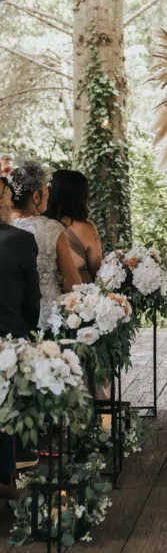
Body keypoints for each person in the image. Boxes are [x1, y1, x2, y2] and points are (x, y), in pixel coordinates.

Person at [0, 174, 41, 497]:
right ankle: (9, 479)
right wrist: (28, 334)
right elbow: (31, 301)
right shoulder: (20, 241)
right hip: (9, 340)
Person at [10, 161, 81, 330]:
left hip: (11, 316)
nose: (48, 202)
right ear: (36, 197)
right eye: (46, 197)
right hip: (50, 317)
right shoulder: (52, 229)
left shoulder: (5, 228)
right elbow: (73, 282)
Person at [45, 169, 103, 284]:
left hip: (48, 293)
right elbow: (96, 268)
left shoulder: (41, 225)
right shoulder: (87, 228)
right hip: (80, 295)